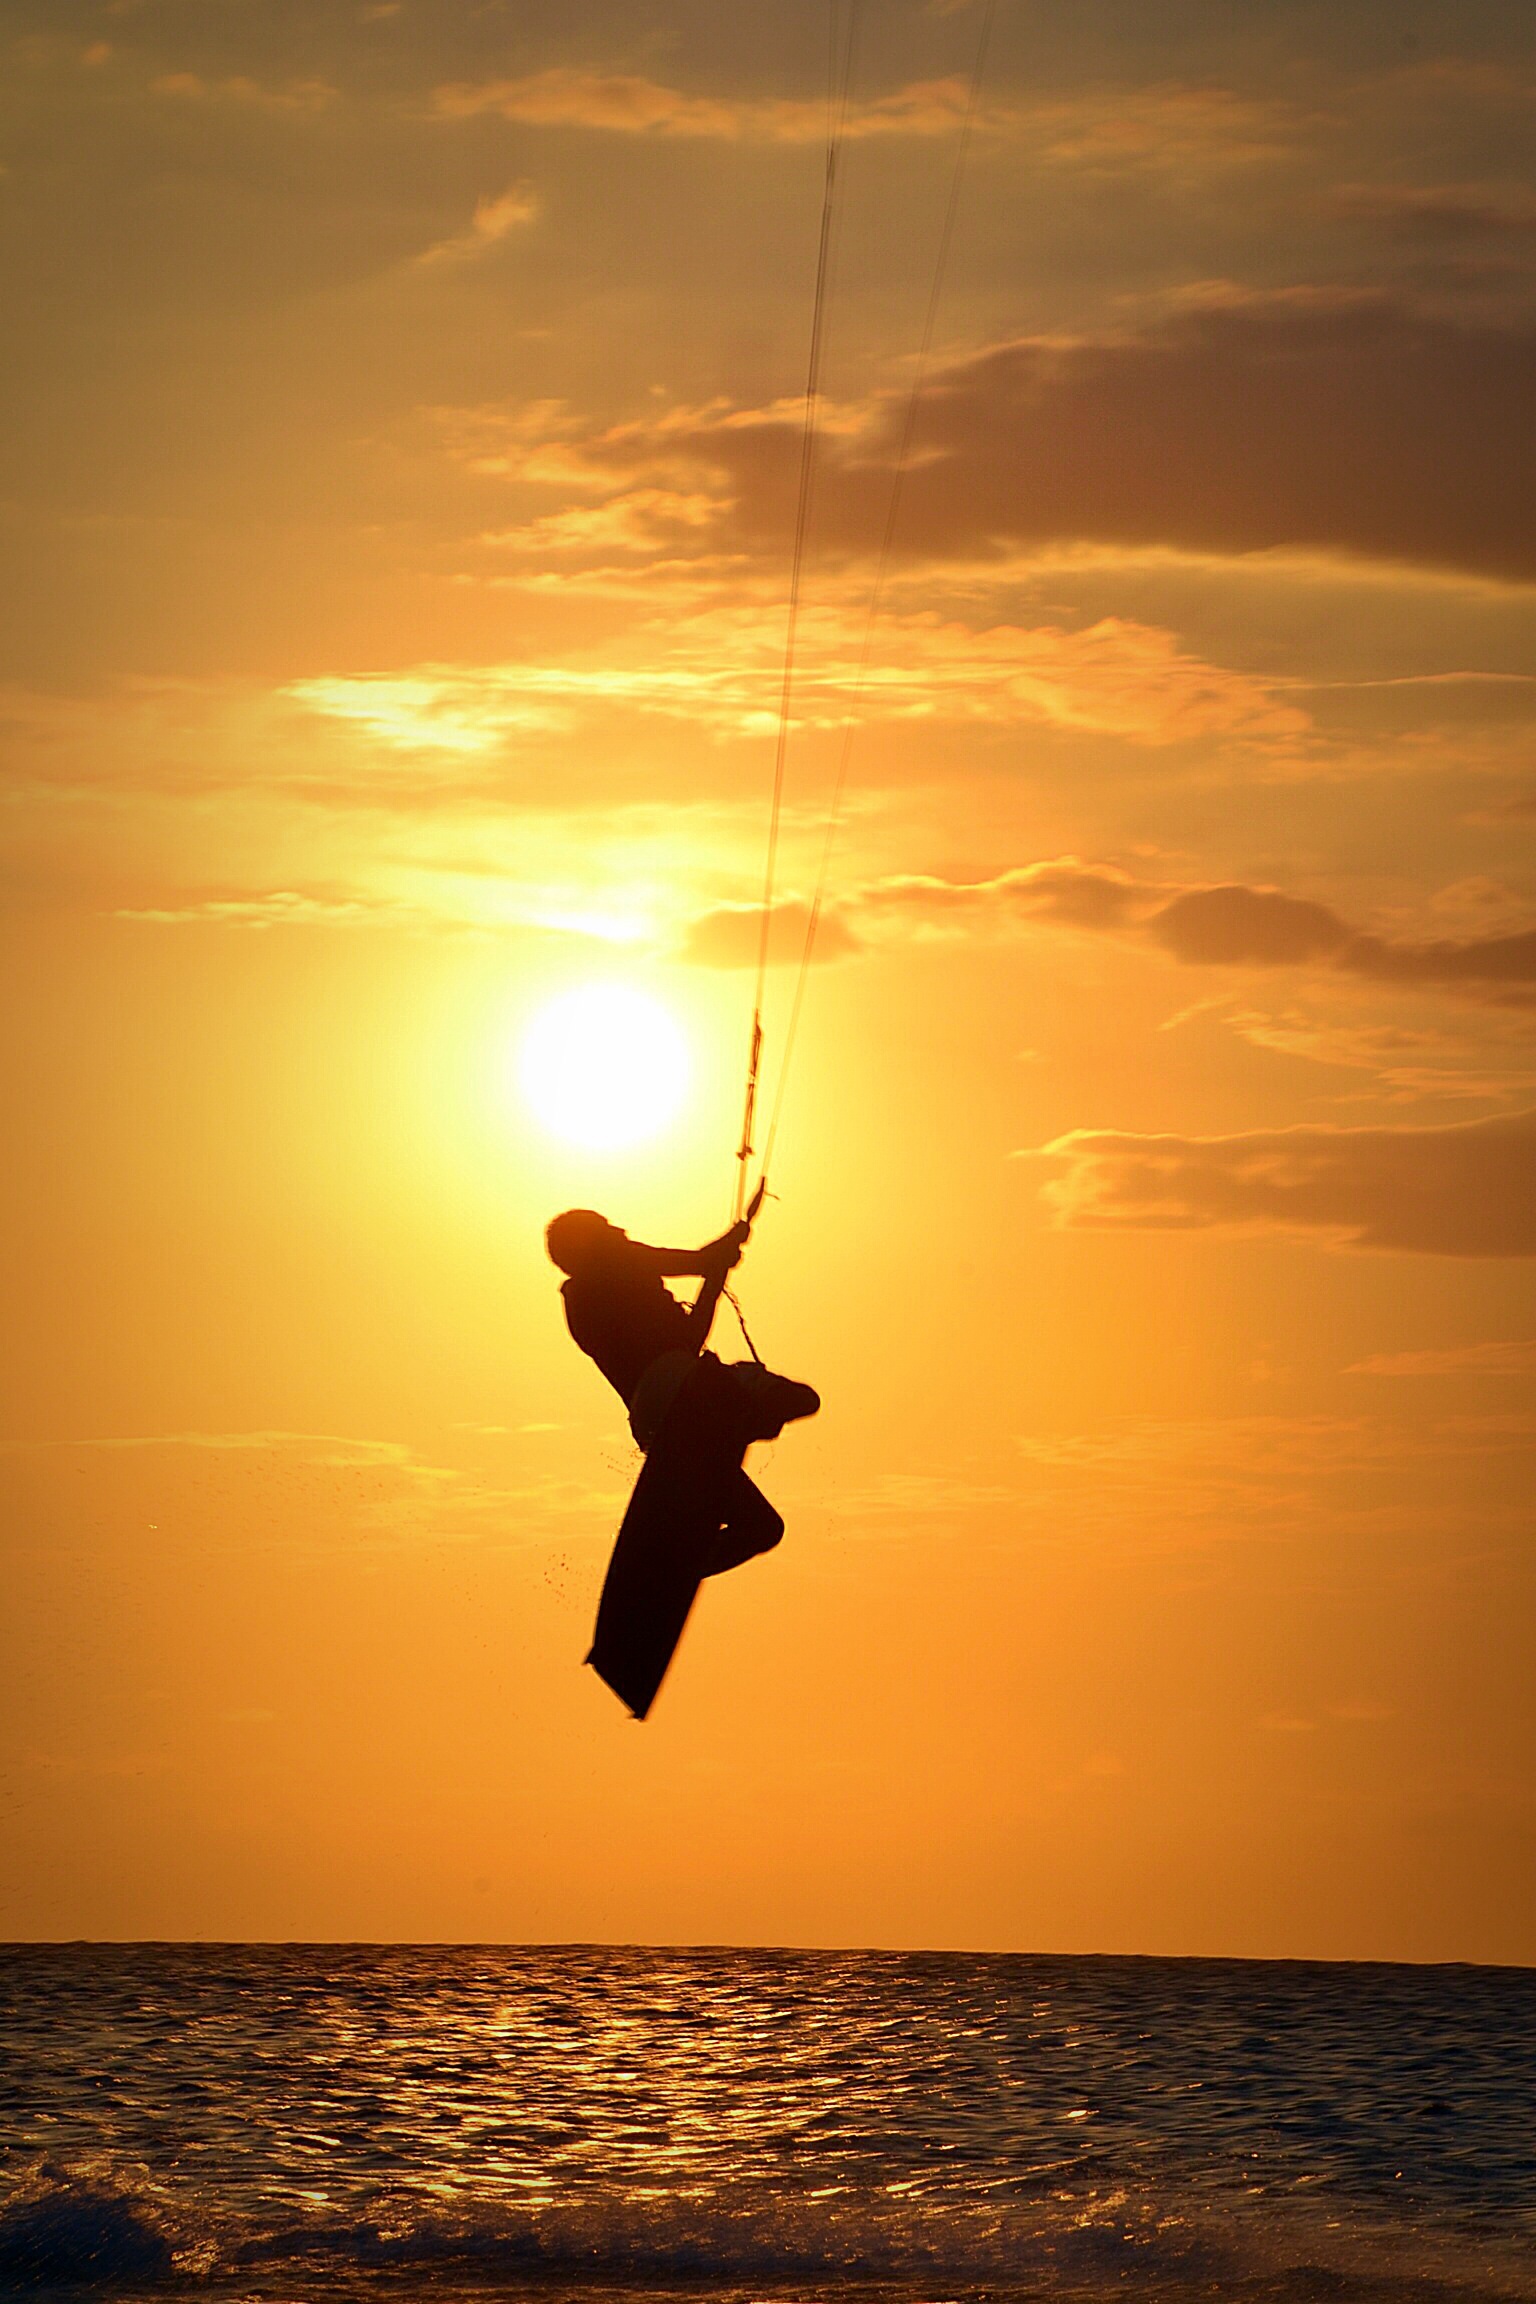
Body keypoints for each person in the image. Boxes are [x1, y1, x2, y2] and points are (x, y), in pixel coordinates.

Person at [545, 1208, 819, 1575]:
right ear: (594, 1244)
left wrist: (724, 1251)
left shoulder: (582, 1300)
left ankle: (668, 1568)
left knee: (763, 1527)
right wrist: (716, 1267)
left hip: (654, 1423)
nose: (621, 1229)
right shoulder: (618, 1263)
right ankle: (742, 1421)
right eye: (608, 1228)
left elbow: (702, 1268)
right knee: (801, 1399)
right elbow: (697, 1281)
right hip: (692, 1391)